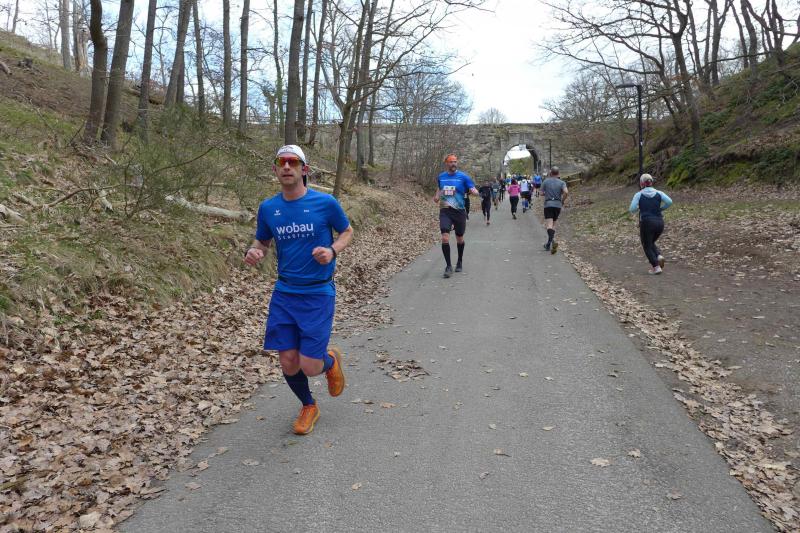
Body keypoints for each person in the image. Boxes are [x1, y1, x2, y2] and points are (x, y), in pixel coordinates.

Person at [245, 145, 354, 435]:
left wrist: (332, 250)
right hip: (285, 293)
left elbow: (347, 232)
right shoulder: (269, 208)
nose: (286, 167)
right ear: (275, 169)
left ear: (304, 169)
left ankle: (330, 361)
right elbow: (262, 241)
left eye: (293, 162)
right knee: (288, 361)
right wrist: (254, 251)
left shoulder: (325, 203)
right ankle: (308, 405)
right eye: (281, 162)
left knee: (310, 366)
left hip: (318, 293)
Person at [434, 154, 479, 277]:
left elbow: (473, 189)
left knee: (460, 238)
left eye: (455, 162)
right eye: (451, 162)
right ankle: (448, 266)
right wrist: (437, 196)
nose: (453, 164)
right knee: (445, 238)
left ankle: (459, 261)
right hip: (445, 210)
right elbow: (439, 188)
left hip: (459, 211)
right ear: (446, 163)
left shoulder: (463, 177)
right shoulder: (441, 176)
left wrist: (475, 192)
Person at [629, 173, 673, 274]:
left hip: (647, 223)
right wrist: (661, 208)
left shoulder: (639, 194)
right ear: (651, 182)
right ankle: (658, 256)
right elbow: (669, 202)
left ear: (641, 183)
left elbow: (632, 209)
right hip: (660, 223)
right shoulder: (659, 193)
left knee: (646, 245)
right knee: (650, 242)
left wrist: (639, 208)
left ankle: (656, 267)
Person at [541, 166, 568, 254]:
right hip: (557, 205)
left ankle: (552, 242)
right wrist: (562, 200)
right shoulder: (562, 182)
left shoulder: (546, 181)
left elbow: (541, 193)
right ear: (558, 173)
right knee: (554, 224)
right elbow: (566, 192)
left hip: (548, 204)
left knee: (549, 225)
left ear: (550, 173)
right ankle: (548, 244)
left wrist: (546, 193)